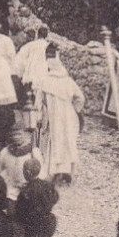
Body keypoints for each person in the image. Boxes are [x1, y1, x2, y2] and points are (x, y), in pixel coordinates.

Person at [37, 45, 85, 184]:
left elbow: (40, 102)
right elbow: (80, 98)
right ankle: (68, 172)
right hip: (69, 117)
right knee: (68, 142)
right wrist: (76, 109)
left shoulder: (46, 81)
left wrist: (40, 116)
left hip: (54, 117)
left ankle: (56, 172)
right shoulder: (68, 81)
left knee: (56, 143)